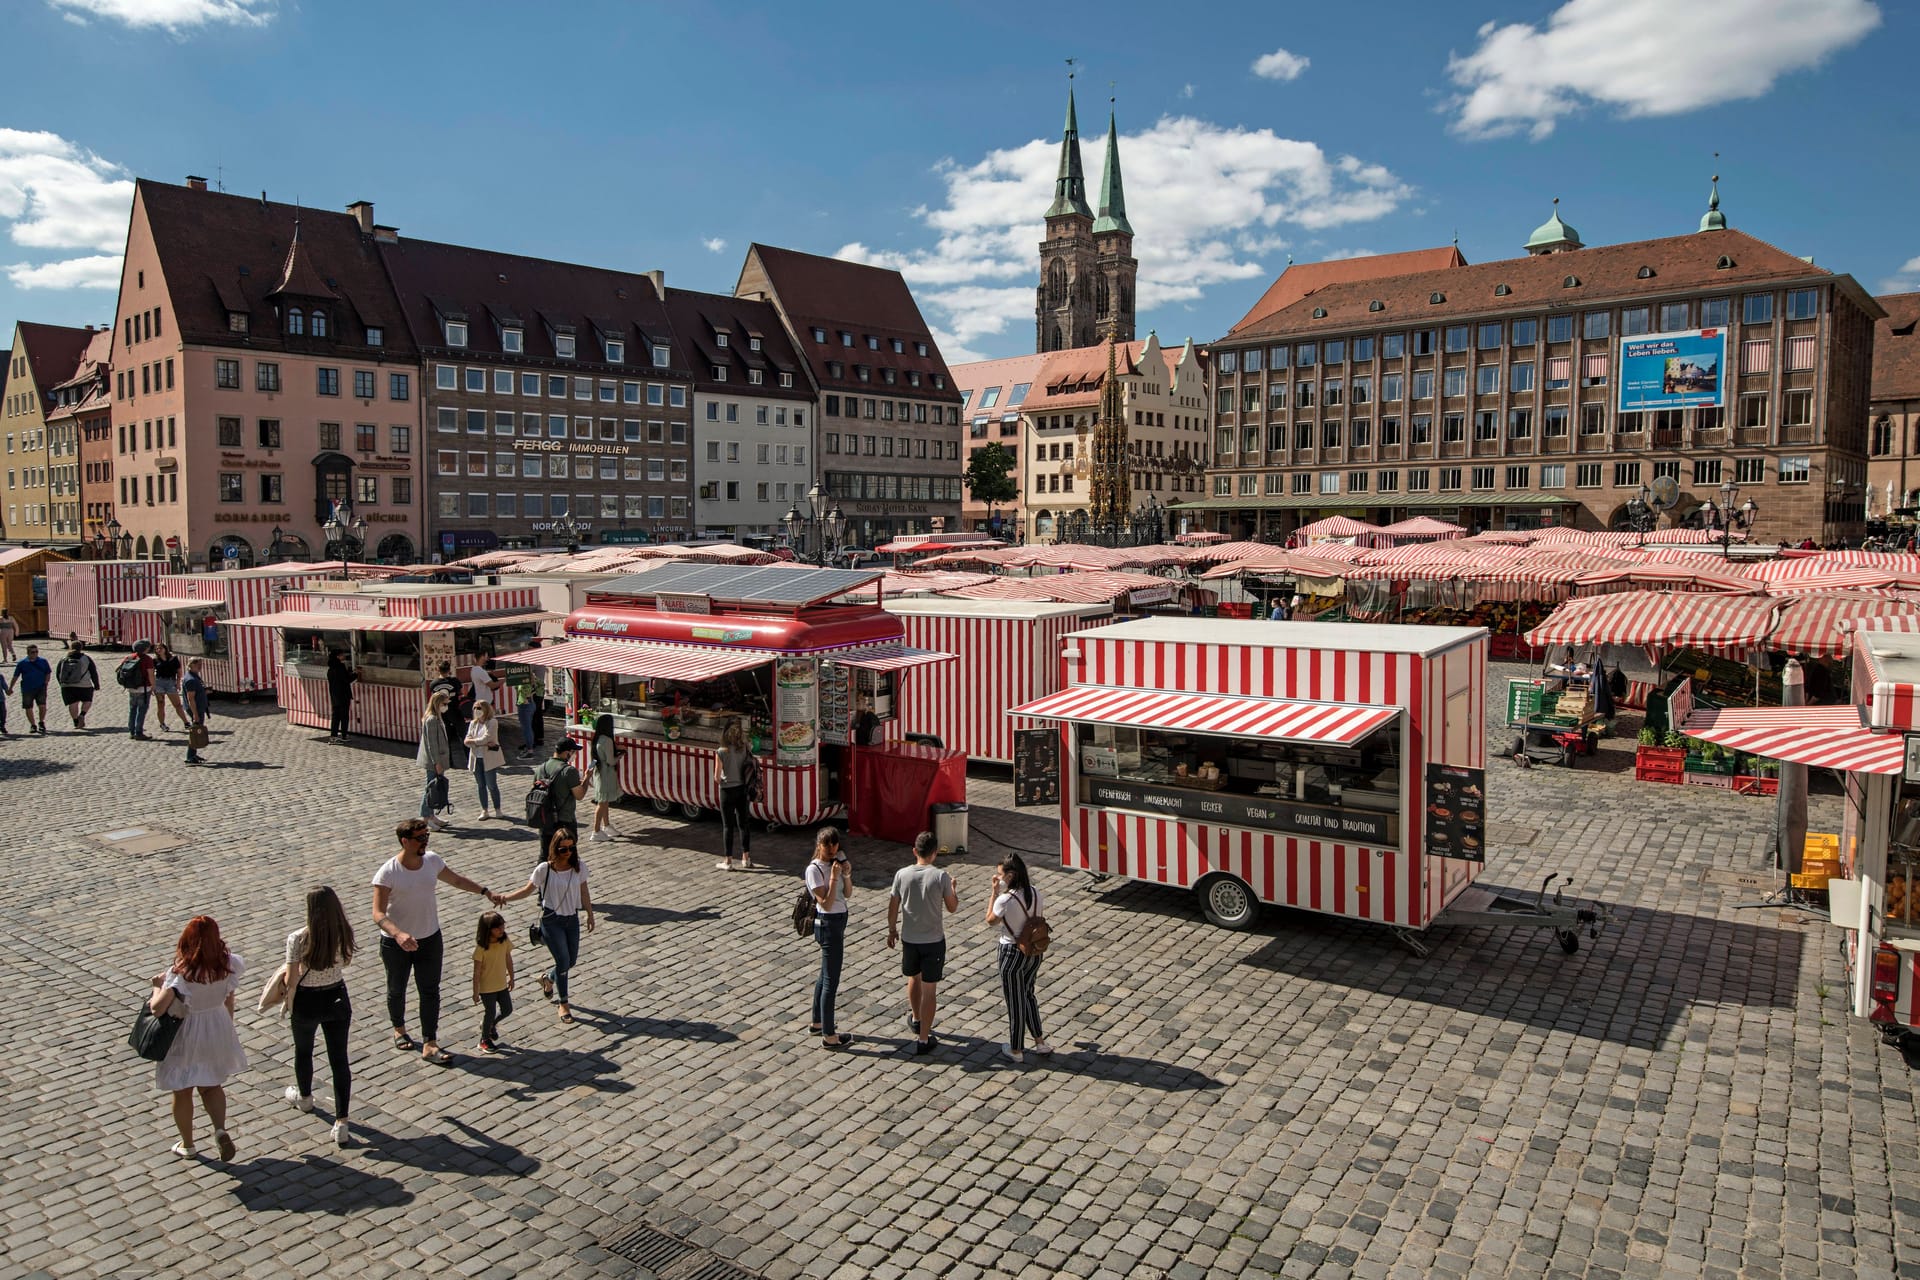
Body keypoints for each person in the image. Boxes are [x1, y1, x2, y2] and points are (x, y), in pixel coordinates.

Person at [371, 818, 503, 1067]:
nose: (425, 842)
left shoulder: (431, 860)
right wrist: (398, 934)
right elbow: (378, 913)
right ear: (405, 841)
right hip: (395, 944)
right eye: (420, 838)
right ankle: (399, 1030)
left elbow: (456, 880)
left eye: (426, 836)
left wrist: (485, 891)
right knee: (397, 988)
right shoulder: (388, 873)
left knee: (430, 990)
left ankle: (430, 1042)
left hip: (430, 938)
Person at [148, 916, 247, 1160]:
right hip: (216, 1025)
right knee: (211, 1085)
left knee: (182, 1090)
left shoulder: (181, 973)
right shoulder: (228, 965)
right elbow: (229, 1000)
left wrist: (157, 986)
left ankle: (188, 1144)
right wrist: (227, 1029)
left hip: (186, 1032)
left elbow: (157, 1009)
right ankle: (220, 1129)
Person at [278, 885, 356, 1147]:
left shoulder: (298, 938)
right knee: (339, 1059)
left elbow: (291, 980)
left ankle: (305, 1097)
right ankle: (342, 1121)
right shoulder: (344, 932)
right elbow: (345, 963)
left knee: (303, 1051)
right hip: (336, 997)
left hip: (307, 1001)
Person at [499, 830, 594, 1024]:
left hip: (571, 920)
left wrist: (590, 914)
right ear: (555, 848)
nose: (568, 852)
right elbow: (527, 890)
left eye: (571, 847)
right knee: (563, 960)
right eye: (563, 848)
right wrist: (504, 898)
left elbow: (584, 891)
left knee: (570, 961)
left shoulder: (578, 867)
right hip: (552, 921)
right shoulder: (545, 869)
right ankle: (564, 1003)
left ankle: (548, 979)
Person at [888, 831, 958, 1055]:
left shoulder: (901, 874)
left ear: (914, 851)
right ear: (935, 853)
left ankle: (916, 1018)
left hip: (909, 939)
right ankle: (923, 1038)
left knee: (913, 977)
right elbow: (952, 907)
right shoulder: (941, 877)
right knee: (930, 989)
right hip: (933, 941)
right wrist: (953, 889)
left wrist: (892, 929)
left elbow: (893, 905)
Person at [984, 853, 1052, 1063]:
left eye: (1000, 874)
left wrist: (994, 893)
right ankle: (1039, 1042)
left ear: (1011, 875)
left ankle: (1016, 1049)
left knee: (1015, 1001)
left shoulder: (1005, 900)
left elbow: (990, 921)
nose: (998, 877)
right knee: (1028, 994)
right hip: (1033, 951)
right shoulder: (1036, 893)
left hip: (1012, 953)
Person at [805, 827, 854, 1048]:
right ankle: (829, 1035)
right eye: (828, 845)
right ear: (819, 845)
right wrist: (833, 878)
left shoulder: (836, 864)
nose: (832, 849)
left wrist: (846, 874)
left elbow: (848, 894)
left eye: (835, 845)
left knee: (824, 975)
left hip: (839, 919)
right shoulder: (814, 869)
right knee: (830, 982)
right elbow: (824, 902)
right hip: (828, 923)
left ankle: (817, 1022)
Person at [532, 739, 590, 854]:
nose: (574, 755)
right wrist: (587, 778)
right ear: (567, 753)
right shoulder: (569, 771)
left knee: (545, 855)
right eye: (574, 752)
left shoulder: (540, 768)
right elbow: (580, 795)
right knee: (568, 856)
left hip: (545, 820)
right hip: (564, 821)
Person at [714, 719, 756, 870]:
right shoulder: (744, 748)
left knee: (728, 826)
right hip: (742, 789)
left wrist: (724, 780)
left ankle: (728, 861)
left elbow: (716, 777)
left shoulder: (721, 751)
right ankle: (746, 858)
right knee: (744, 824)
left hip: (727, 790)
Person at [471, 910, 514, 1052]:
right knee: (490, 1011)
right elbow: (476, 972)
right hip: (487, 988)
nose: (502, 930)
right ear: (488, 930)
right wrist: (475, 992)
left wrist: (512, 976)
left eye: (503, 926)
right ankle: (484, 1039)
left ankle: (489, 1025)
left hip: (501, 984)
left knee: (507, 1009)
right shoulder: (481, 949)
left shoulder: (504, 941)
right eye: (498, 928)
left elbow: (508, 959)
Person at [417, 690, 454, 832]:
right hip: (434, 761)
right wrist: (437, 763)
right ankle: (426, 818)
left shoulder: (437, 717)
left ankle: (432, 816)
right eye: (444, 704)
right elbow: (432, 744)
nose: (446, 706)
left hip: (438, 759)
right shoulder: (432, 719)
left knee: (435, 788)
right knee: (431, 789)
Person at [464, 700, 506, 818]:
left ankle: (497, 809)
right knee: (480, 785)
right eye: (475, 708)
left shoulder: (492, 722)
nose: (477, 711)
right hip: (476, 758)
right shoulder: (473, 723)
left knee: (492, 785)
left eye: (479, 708)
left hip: (488, 758)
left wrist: (476, 742)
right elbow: (467, 740)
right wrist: (481, 743)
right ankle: (484, 810)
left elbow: (487, 738)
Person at [586, 713, 622, 842]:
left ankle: (606, 826)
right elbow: (611, 761)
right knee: (602, 803)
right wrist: (620, 756)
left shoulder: (596, 739)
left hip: (599, 773)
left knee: (604, 801)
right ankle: (596, 831)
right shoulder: (607, 740)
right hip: (606, 775)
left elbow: (594, 760)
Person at [429, 662, 467, 766]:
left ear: (438, 670)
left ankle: (449, 761)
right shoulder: (455, 681)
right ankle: (469, 758)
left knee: (446, 738)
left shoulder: (433, 684)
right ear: (449, 670)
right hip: (455, 711)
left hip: (442, 713)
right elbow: (460, 694)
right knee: (464, 736)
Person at [55, 641, 97, 730]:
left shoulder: (64, 659)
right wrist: (96, 684)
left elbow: (58, 672)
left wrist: (61, 684)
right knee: (87, 700)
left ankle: (75, 721)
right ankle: (82, 715)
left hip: (67, 686)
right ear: (81, 648)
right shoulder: (86, 658)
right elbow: (93, 672)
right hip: (84, 685)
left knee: (72, 703)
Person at [12, 643, 52, 735]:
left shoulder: (43, 661)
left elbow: (48, 672)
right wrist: (10, 687)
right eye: (33, 652)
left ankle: (41, 722)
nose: (35, 654)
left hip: (41, 687)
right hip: (27, 688)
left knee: (42, 705)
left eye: (36, 652)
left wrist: (46, 682)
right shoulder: (22, 663)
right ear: (28, 653)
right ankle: (33, 725)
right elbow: (16, 676)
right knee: (28, 707)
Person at [151, 642, 186, 733]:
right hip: (159, 682)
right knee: (161, 704)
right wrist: (153, 685)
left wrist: (178, 683)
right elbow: (151, 673)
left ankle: (186, 722)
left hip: (171, 682)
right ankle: (162, 724)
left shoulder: (173, 659)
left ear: (165, 649)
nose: (159, 650)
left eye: (160, 648)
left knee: (177, 704)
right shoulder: (155, 660)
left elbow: (179, 672)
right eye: (157, 649)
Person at [183, 657, 210, 765]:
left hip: (199, 707)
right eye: (198, 664)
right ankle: (190, 756)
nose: (200, 666)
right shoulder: (191, 680)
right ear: (191, 665)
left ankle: (193, 754)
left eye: (200, 664)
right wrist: (195, 715)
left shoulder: (194, 676)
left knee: (196, 732)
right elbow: (191, 699)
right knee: (195, 733)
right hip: (196, 709)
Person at [126, 638, 155, 739]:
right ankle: (139, 732)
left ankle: (132, 731)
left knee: (132, 710)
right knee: (142, 711)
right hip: (144, 688)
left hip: (132, 687)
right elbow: (150, 674)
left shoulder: (129, 657)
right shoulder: (147, 659)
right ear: (145, 649)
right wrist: (153, 686)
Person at [325, 649, 356, 742]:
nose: (344, 656)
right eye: (342, 655)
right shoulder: (340, 667)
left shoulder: (330, 669)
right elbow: (347, 679)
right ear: (337, 657)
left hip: (334, 696)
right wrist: (356, 674)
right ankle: (344, 735)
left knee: (336, 716)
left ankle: (333, 736)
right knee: (344, 717)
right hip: (343, 695)